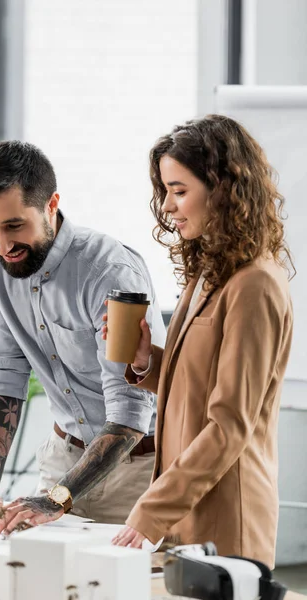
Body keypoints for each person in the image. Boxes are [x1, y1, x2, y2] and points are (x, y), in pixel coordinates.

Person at [0, 140, 166, 533]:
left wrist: (58, 498)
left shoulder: (109, 272)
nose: (2, 246)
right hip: (64, 456)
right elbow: (6, 371)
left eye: (13, 226)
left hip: (138, 469)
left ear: (51, 205)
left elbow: (129, 415)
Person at [104, 115, 294, 568]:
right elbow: (199, 383)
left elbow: (230, 423)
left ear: (224, 189)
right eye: (166, 191)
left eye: (180, 190)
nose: (168, 206)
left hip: (228, 515)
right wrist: (146, 361)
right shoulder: (209, 273)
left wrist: (150, 509)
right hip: (188, 509)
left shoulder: (255, 285)